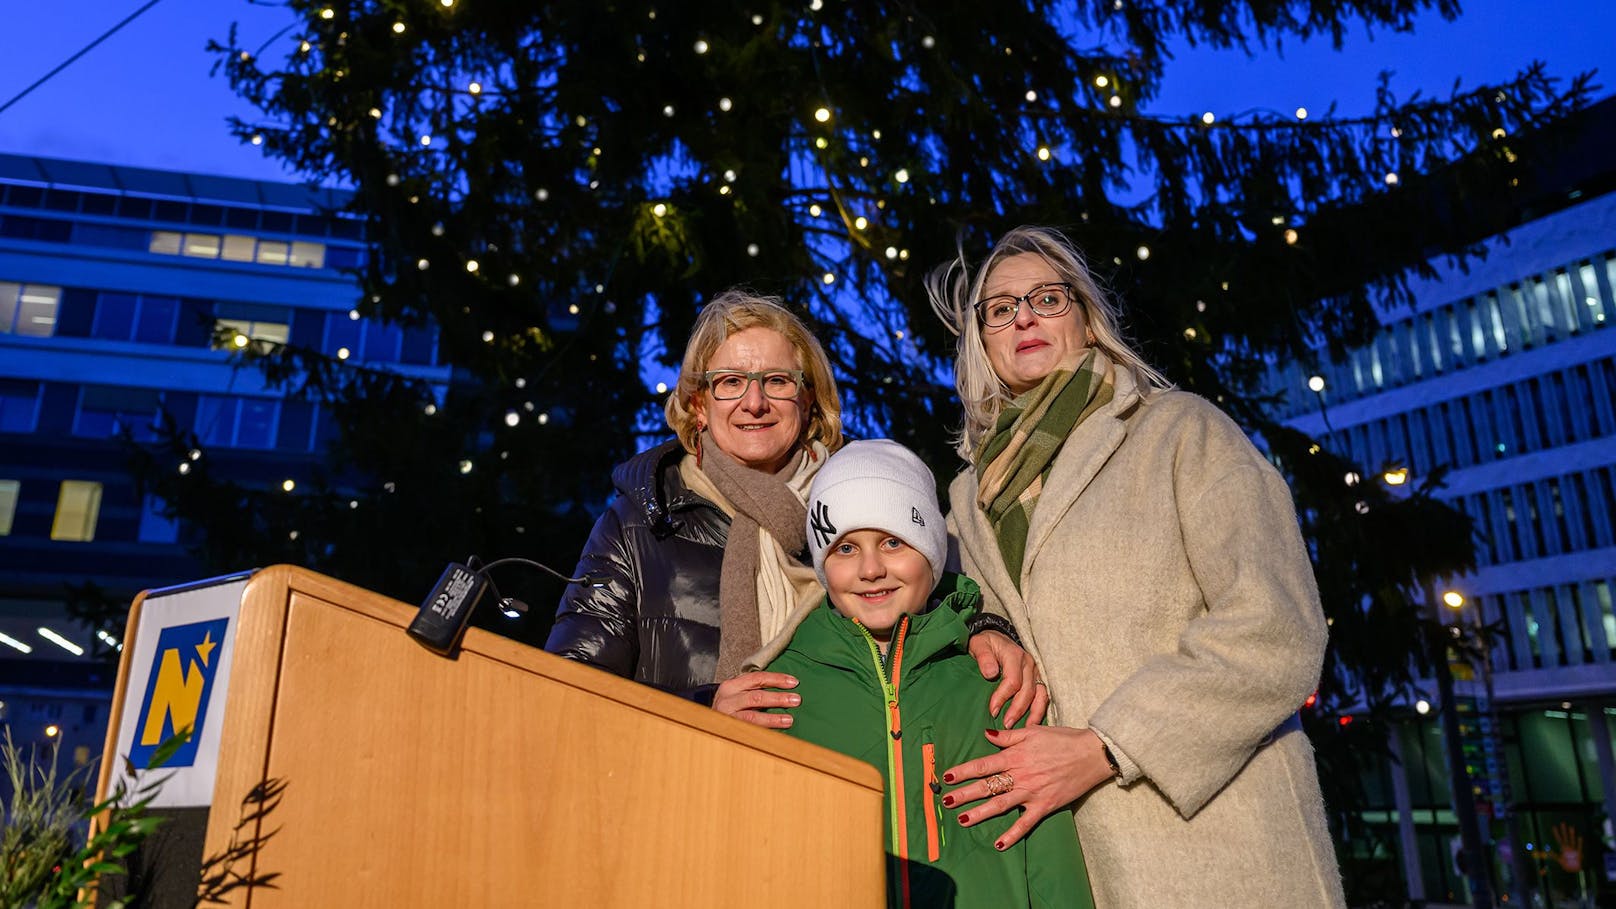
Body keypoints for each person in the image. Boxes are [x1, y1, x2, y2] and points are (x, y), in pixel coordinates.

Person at [925, 226, 1346, 907]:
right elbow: (935, 606)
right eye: (1000, 308)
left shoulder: (1180, 431)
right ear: (982, 340)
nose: (1023, 316)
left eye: (1047, 297)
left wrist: (1105, 745)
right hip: (1075, 864)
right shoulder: (967, 500)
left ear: (1088, 319)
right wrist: (985, 625)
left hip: (1222, 849)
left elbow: (1277, 628)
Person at [545, 290, 1042, 728]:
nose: (754, 402)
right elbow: (566, 693)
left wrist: (986, 627)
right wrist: (701, 709)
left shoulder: (864, 503)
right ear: (699, 405)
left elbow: (938, 591)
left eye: (777, 381)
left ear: (809, 401)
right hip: (682, 796)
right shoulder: (639, 524)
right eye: (730, 382)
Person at [764, 440, 1093, 909]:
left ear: (932, 553)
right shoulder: (784, 691)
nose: (871, 569)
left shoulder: (994, 680)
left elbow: (1050, 856)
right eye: (846, 548)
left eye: (894, 542)